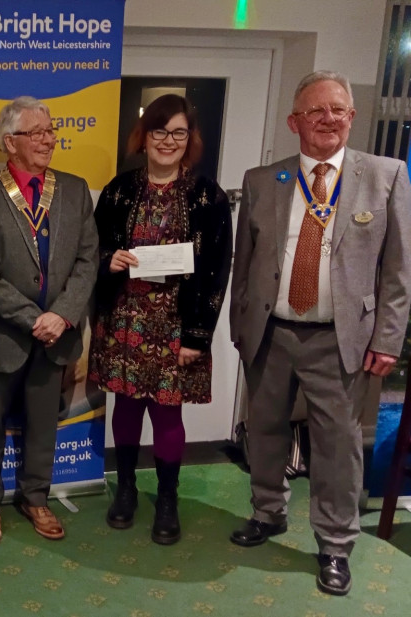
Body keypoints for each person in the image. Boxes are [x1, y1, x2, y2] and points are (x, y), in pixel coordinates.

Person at [229, 70, 411, 596]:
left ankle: (334, 544)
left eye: (338, 109)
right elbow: (247, 262)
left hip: (340, 340)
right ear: (295, 122)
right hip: (270, 333)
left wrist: (387, 340)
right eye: (316, 111)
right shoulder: (265, 179)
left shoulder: (386, 175)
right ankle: (268, 512)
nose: (328, 119)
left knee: (337, 445)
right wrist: (241, 327)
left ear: (351, 117)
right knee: (264, 430)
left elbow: (399, 271)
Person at [88, 94, 232, 545]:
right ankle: (127, 489)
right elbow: (92, 249)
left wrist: (198, 336)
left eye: (178, 133)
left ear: (190, 139)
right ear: (144, 136)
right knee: (127, 408)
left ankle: (167, 498)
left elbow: (216, 270)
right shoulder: (118, 190)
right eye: (159, 131)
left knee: (168, 415)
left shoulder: (209, 196)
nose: (168, 141)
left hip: (176, 325)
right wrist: (109, 260)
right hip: (124, 319)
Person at [0, 96, 98, 544]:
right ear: (9, 143)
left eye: (50, 131)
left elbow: (87, 259)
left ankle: (35, 498)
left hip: (56, 335)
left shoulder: (75, 191)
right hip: (3, 335)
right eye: (36, 133)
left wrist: (61, 315)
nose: (48, 140)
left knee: (44, 424)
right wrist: (34, 318)